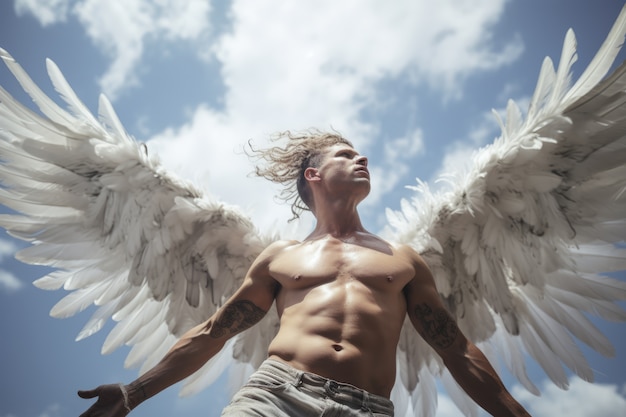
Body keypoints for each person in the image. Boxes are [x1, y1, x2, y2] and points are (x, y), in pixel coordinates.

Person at [78, 131, 530, 416]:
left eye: (361, 155)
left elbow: (456, 350)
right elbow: (215, 332)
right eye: (346, 154)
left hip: (366, 408)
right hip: (274, 396)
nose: (362, 159)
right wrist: (133, 393)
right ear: (314, 174)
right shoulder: (281, 257)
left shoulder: (402, 260)